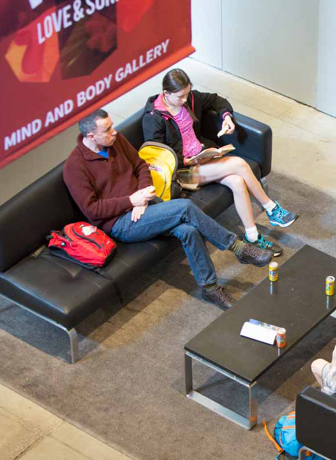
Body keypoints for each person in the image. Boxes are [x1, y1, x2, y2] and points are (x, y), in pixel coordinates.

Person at [63, 109, 272, 311]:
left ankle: (210, 288)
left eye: (112, 126)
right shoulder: (75, 167)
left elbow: (141, 166)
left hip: (143, 204)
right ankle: (237, 248)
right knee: (186, 208)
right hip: (120, 222)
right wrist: (131, 201)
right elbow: (92, 210)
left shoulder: (115, 141)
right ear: (91, 135)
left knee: (188, 231)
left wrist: (142, 198)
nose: (114, 132)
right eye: (107, 129)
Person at [142, 68, 297, 257]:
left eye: (187, 94)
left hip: (202, 160)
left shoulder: (191, 99)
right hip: (181, 172)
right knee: (238, 165)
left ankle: (252, 236)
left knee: (237, 182)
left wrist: (227, 118)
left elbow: (217, 100)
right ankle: (272, 209)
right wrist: (185, 160)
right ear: (166, 93)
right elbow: (158, 155)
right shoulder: (153, 118)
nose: (184, 100)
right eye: (180, 96)